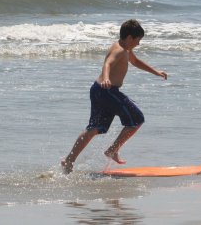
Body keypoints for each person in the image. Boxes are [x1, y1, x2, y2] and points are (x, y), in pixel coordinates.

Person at [61, 19, 167, 174]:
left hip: (98, 90)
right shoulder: (119, 50)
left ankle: (69, 160)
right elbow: (107, 64)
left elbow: (135, 61)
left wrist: (155, 72)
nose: (138, 44)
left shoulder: (125, 49)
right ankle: (112, 150)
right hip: (108, 90)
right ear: (130, 37)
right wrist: (106, 78)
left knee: (94, 128)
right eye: (138, 40)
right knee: (137, 119)